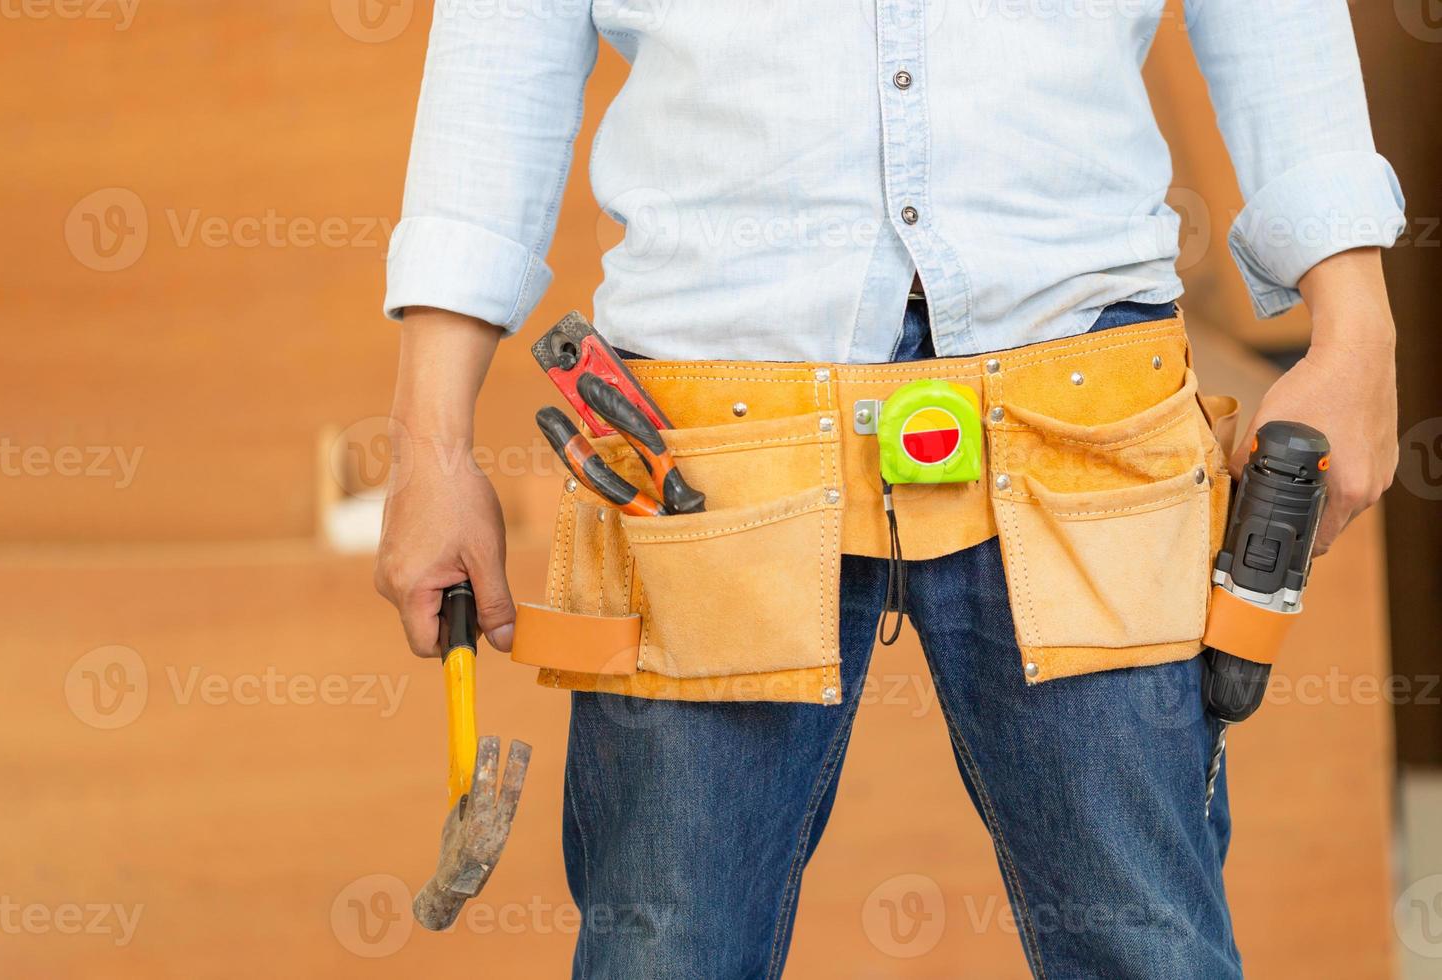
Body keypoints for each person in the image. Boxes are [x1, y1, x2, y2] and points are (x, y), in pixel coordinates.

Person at [374, 3, 1403, 976]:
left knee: (1150, 947)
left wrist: (1356, 315)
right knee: (666, 951)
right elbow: (502, 39)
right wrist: (430, 440)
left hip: (1079, 399)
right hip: (713, 425)